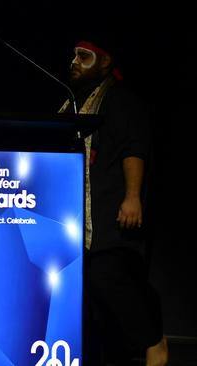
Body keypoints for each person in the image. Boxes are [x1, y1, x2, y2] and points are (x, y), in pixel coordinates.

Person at [59, 37, 168, 365]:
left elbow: (134, 150)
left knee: (110, 278)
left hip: (110, 213)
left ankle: (153, 343)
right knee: (91, 296)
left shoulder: (120, 100)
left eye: (84, 56)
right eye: (74, 55)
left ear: (106, 62)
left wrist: (133, 197)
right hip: (77, 218)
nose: (74, 62)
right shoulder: (74, 101)